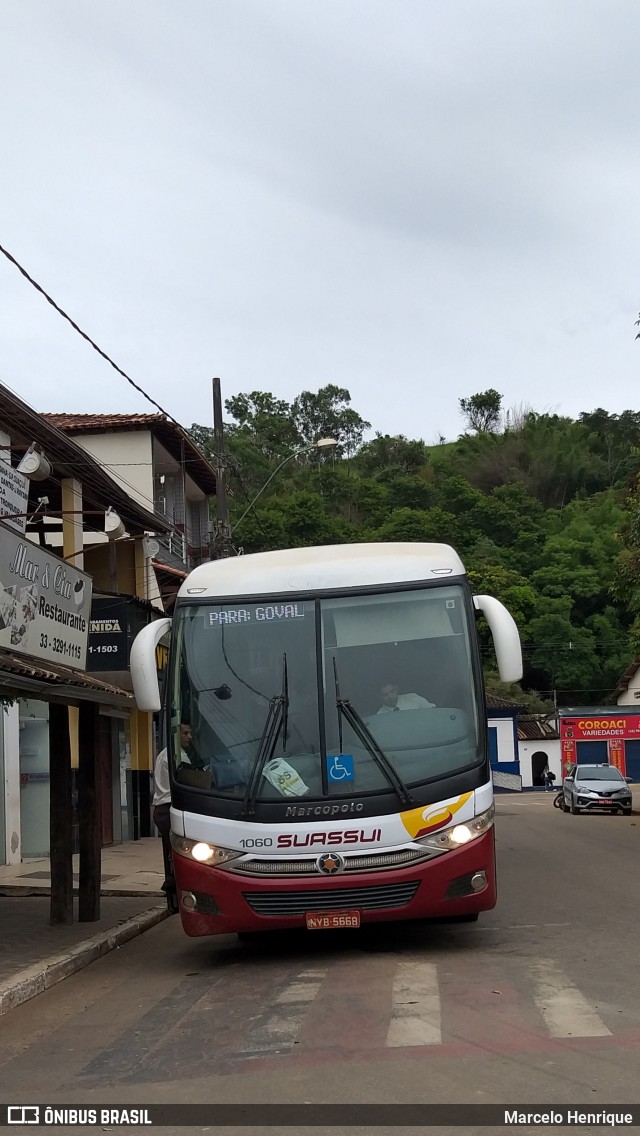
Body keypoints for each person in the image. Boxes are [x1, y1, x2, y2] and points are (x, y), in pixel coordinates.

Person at [153, 722, 192, 893]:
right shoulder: (176, 757)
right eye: (185, 733)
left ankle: (171, 883)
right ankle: (175, 884)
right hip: (168, 807)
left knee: (170, 850)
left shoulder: (165, 754)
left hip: (162, 809)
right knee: (178, 851)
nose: (189, 737)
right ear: (176, 734)